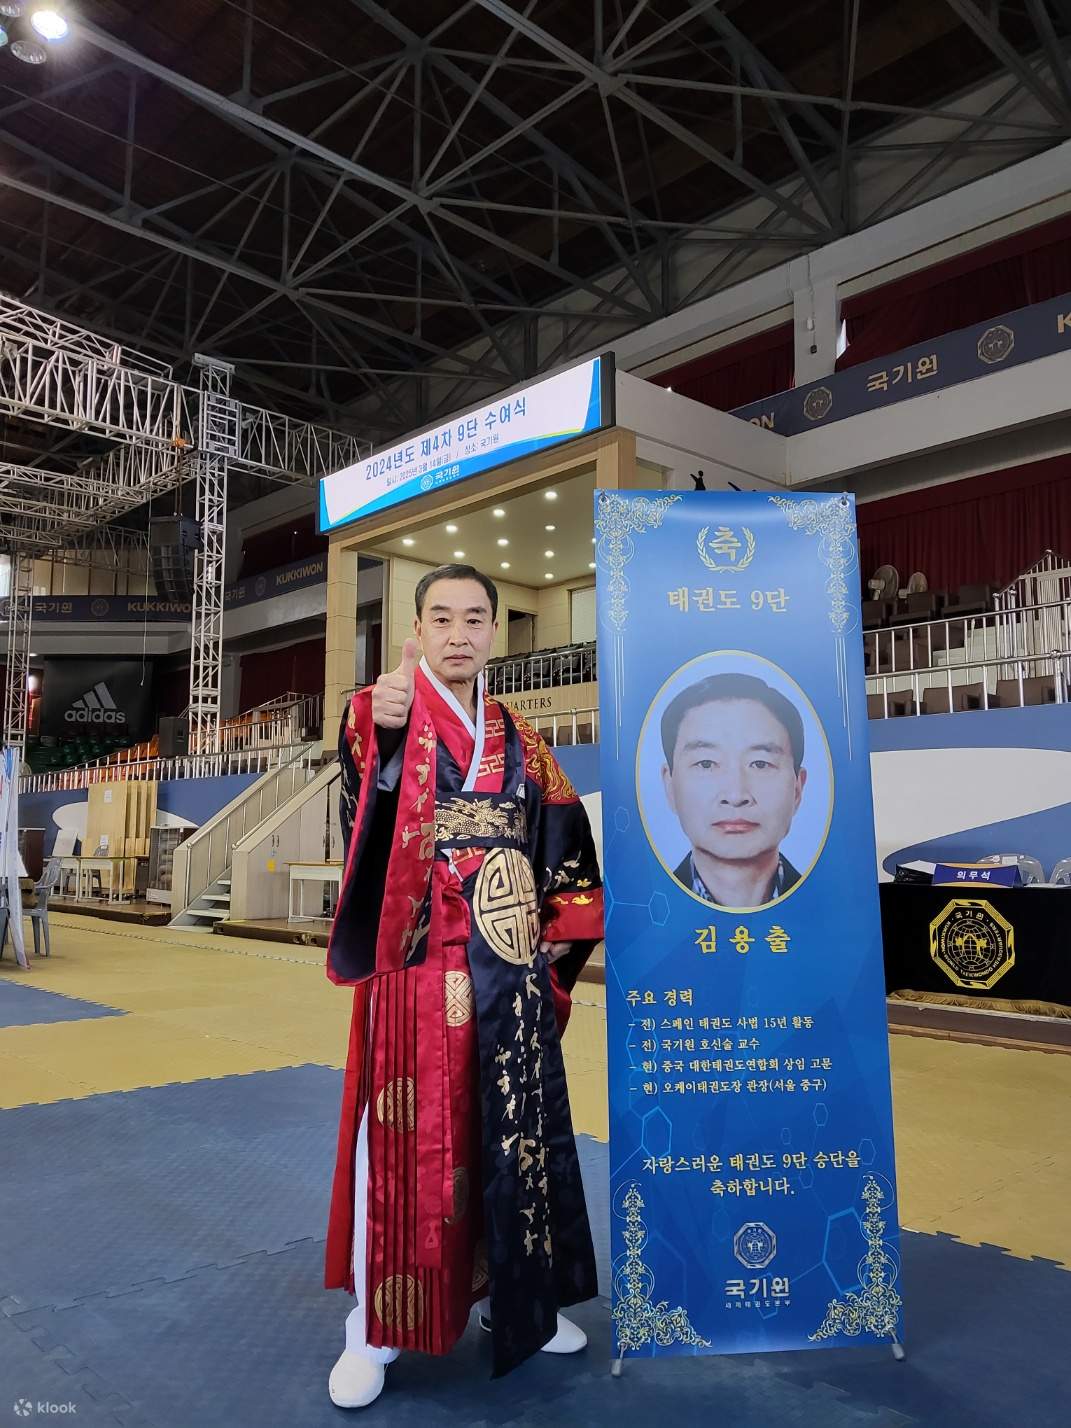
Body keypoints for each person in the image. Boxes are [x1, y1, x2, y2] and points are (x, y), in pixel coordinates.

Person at [324, 563, 604, 1409]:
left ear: (493, 633)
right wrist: (374, 737)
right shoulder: (384, 711)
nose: (457, 633)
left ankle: (521, 1302)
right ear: (414, 631)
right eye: (440, 618)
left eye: (474, 618)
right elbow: (361, 808)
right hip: (417, 968)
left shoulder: (520, 735)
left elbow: (564, 839)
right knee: (412, 1146)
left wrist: (552, 946)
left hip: (506, 971)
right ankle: (375, 1331)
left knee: (514, 1136)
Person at [659, 672, 808, 909]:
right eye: (706, 764)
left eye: (760, 764)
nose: (736, 796)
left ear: (798, 788)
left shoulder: (827, 911)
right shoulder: (651, 914)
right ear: (670, 785)